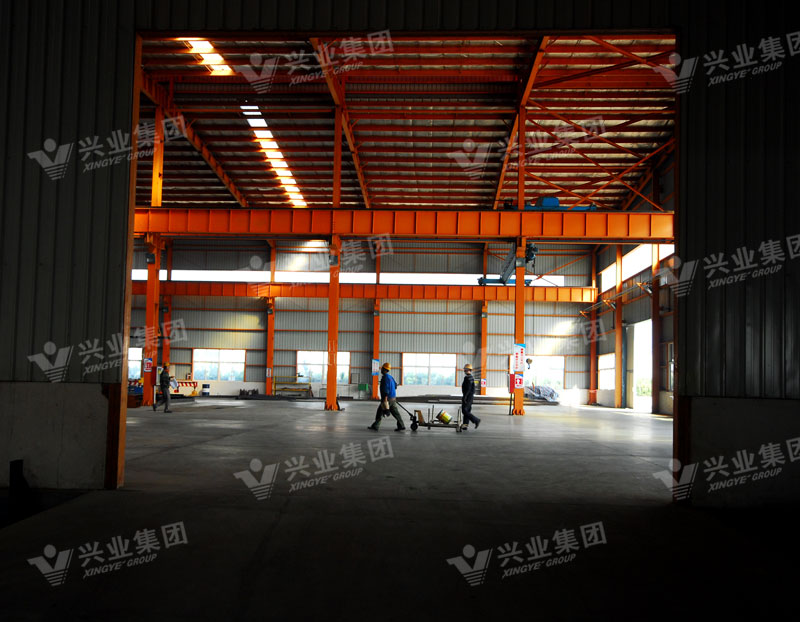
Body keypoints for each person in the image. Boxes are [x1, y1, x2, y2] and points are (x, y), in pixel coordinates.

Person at [368, 362, 406, 432]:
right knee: (396, 413)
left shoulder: (385, 378)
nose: (381, 369)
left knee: (380, 412)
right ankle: (401, 425)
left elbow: (385, 390)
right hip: (393, 398)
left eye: (382, 368)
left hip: (387, 399)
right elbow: (395, 386)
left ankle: (375, 426)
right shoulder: (391, 377)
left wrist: (385, 400)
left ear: (384, 369)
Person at [461, 363, 480, 430]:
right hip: (470, 396)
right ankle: (465, 425)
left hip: (468, 396)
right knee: (467, 410)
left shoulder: (468, 378)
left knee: (464, 410)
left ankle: (476, 420)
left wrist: (465, 397)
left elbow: (468, 389)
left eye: (465, 369)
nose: (464, 370)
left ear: (467, 369)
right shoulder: (471, 377)